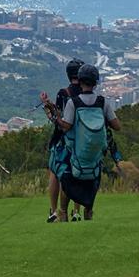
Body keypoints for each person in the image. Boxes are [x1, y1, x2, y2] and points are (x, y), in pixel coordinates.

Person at [56, 63, 121, 221]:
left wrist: (56, 118)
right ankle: (88, 212)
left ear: (80, 80)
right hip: (96, 154)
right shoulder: (102, 102)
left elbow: (67, 126)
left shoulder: (73, 103)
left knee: (67, 180)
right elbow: (117, 126)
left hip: (76, 153)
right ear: (95, 82)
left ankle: (63, 212)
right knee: (91, 183)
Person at [40, 59, 84, 223]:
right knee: (77, 175)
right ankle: (77, 212)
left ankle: (54, 211)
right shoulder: (86, 94)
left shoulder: (64, 93)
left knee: (55, 173)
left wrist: (47, 107)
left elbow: (58, 117)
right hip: (80, 139)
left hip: (61, 139)